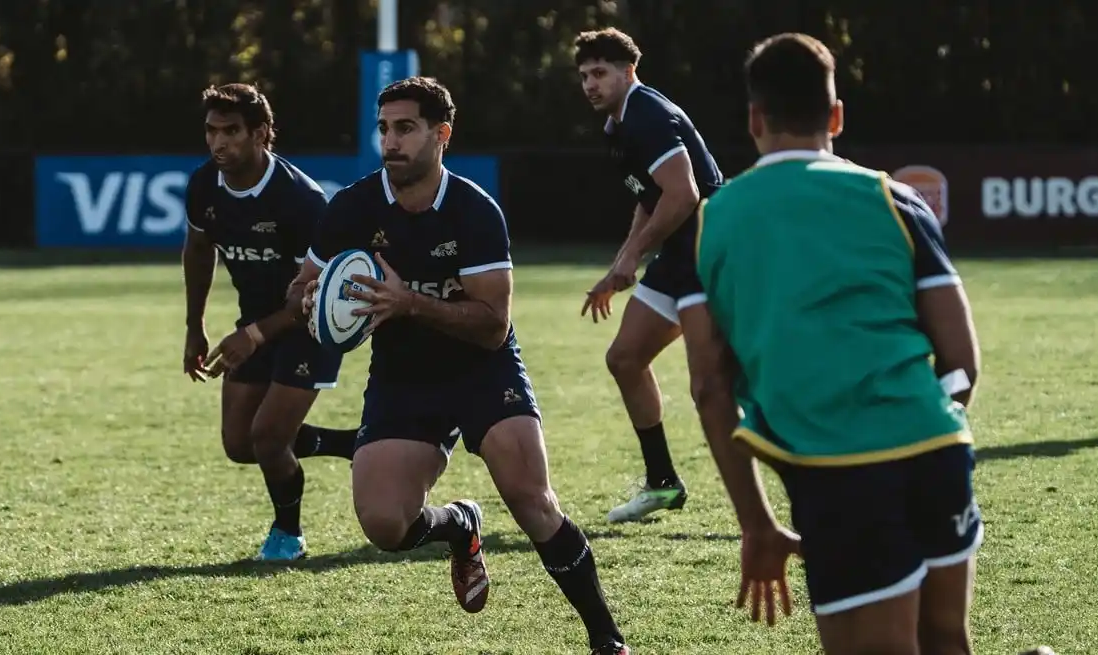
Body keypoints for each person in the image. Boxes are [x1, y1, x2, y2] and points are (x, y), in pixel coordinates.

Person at [289, 77, 631, 655]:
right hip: (403, 377)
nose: (390, 141)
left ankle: (607, 639)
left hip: (482, 369)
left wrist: (410, 303)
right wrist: (309, 300)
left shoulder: (473, 210)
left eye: (405, 128)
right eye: (383, 128)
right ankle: (458, 525)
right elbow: (303, 283)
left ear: (440, 135)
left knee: (531, 499)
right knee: (384, 524)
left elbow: (493, 323)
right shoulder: (353, 207)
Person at [687, 33, 984, 654]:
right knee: (944, 641)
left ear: (754, 120)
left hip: (837, 471)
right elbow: (961, 360)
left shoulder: (714, 220)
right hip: (937, 446)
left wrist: (756, 522)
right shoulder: (894, 197)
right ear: (837, 116)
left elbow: (711, 383)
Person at [182, 83, 359, 563]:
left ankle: (288, 535)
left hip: (312, 325)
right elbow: (199, 251)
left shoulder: (300, 199)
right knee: (240, 444)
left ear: (260, 133)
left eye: (231, 131)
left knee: (268, 438)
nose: (219, 143)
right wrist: (193, 326)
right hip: (255, 322)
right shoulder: (203, 185)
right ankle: (352, 442)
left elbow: (317, 294)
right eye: (211, 131)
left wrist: (254, 336)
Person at [572, 28, 726, 523]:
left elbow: (683, 195)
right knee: (624, 358)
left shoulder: (647, 116)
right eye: (584, 76)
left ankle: (811, 489)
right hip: (680, 254)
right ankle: (663, 483)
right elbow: (651, 198)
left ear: (628, 72)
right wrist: (623, 263)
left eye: (600, 73)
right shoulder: (618, 125)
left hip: (711, 254)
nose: (590, 84)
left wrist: (632, 255)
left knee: (713, 388)